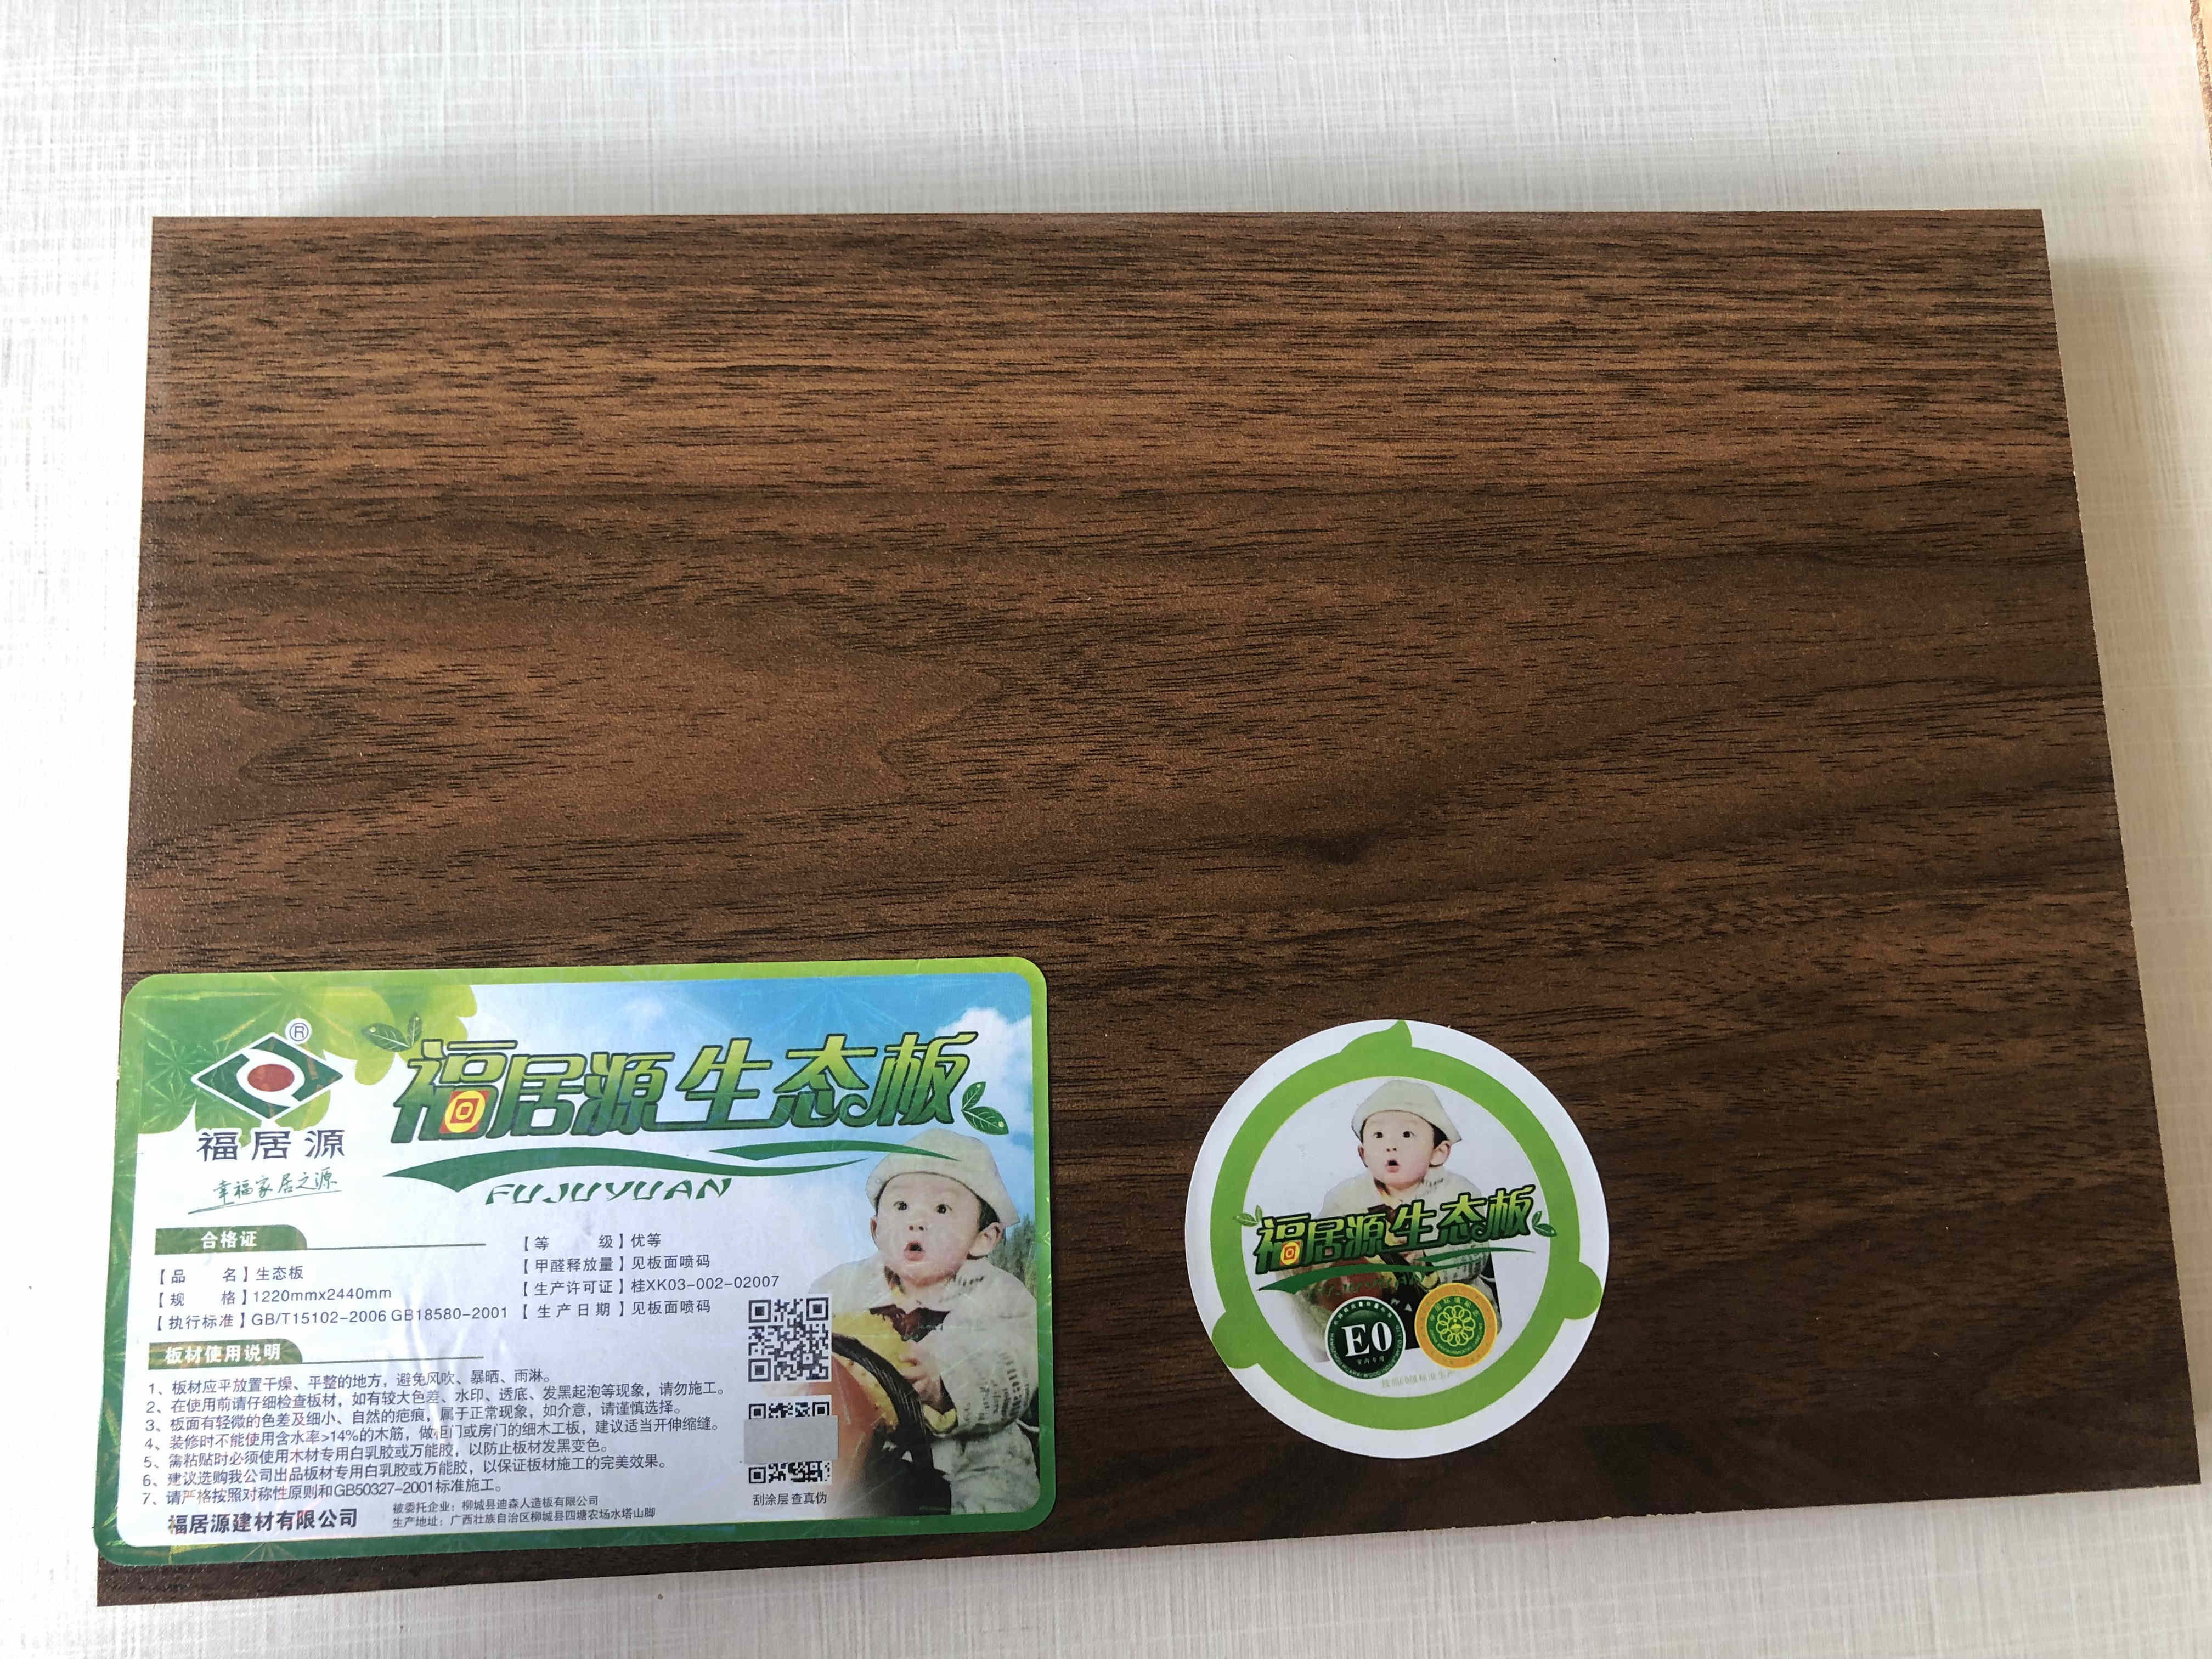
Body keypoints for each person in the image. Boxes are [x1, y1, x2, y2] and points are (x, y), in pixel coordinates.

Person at [809, 1127, 1039, 1514]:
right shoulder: (842, 1286)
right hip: (864, 1444)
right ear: (875, 1229)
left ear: (983, 1239)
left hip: (976, 1459)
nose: (916, 1221)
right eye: (901, 1206)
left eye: (942, 1210)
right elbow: (794, 1342)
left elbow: (1017, 1360)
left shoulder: (1001, 1295)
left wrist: (944, 1379)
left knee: (994, 1497)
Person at [1311, 1079, 1500, 1330]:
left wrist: (1426, 1258)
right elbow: (1321, 1243)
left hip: (1450, 1307)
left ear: (1438, 1152)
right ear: (1363, 1154)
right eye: (1378, 1135)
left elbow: (1475, 1251)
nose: (1391, 1146)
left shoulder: (1457, 1194)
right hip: (1376, 1311)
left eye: (1407, 1135)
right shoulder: (1346, 1197)